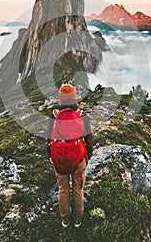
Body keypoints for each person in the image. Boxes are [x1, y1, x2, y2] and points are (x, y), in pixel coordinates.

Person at [47, 84, 93, 228]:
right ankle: (78, 220)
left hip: (59, 158)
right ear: (74, 98)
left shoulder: (54, 116)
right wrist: (87, 156)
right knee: (78, 189)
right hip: (78, 158)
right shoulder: (81, 115)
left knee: (63, 189)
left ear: (60, 99)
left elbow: (48, 139)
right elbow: (89, 139)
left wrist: (51, 156)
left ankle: (65, 219)